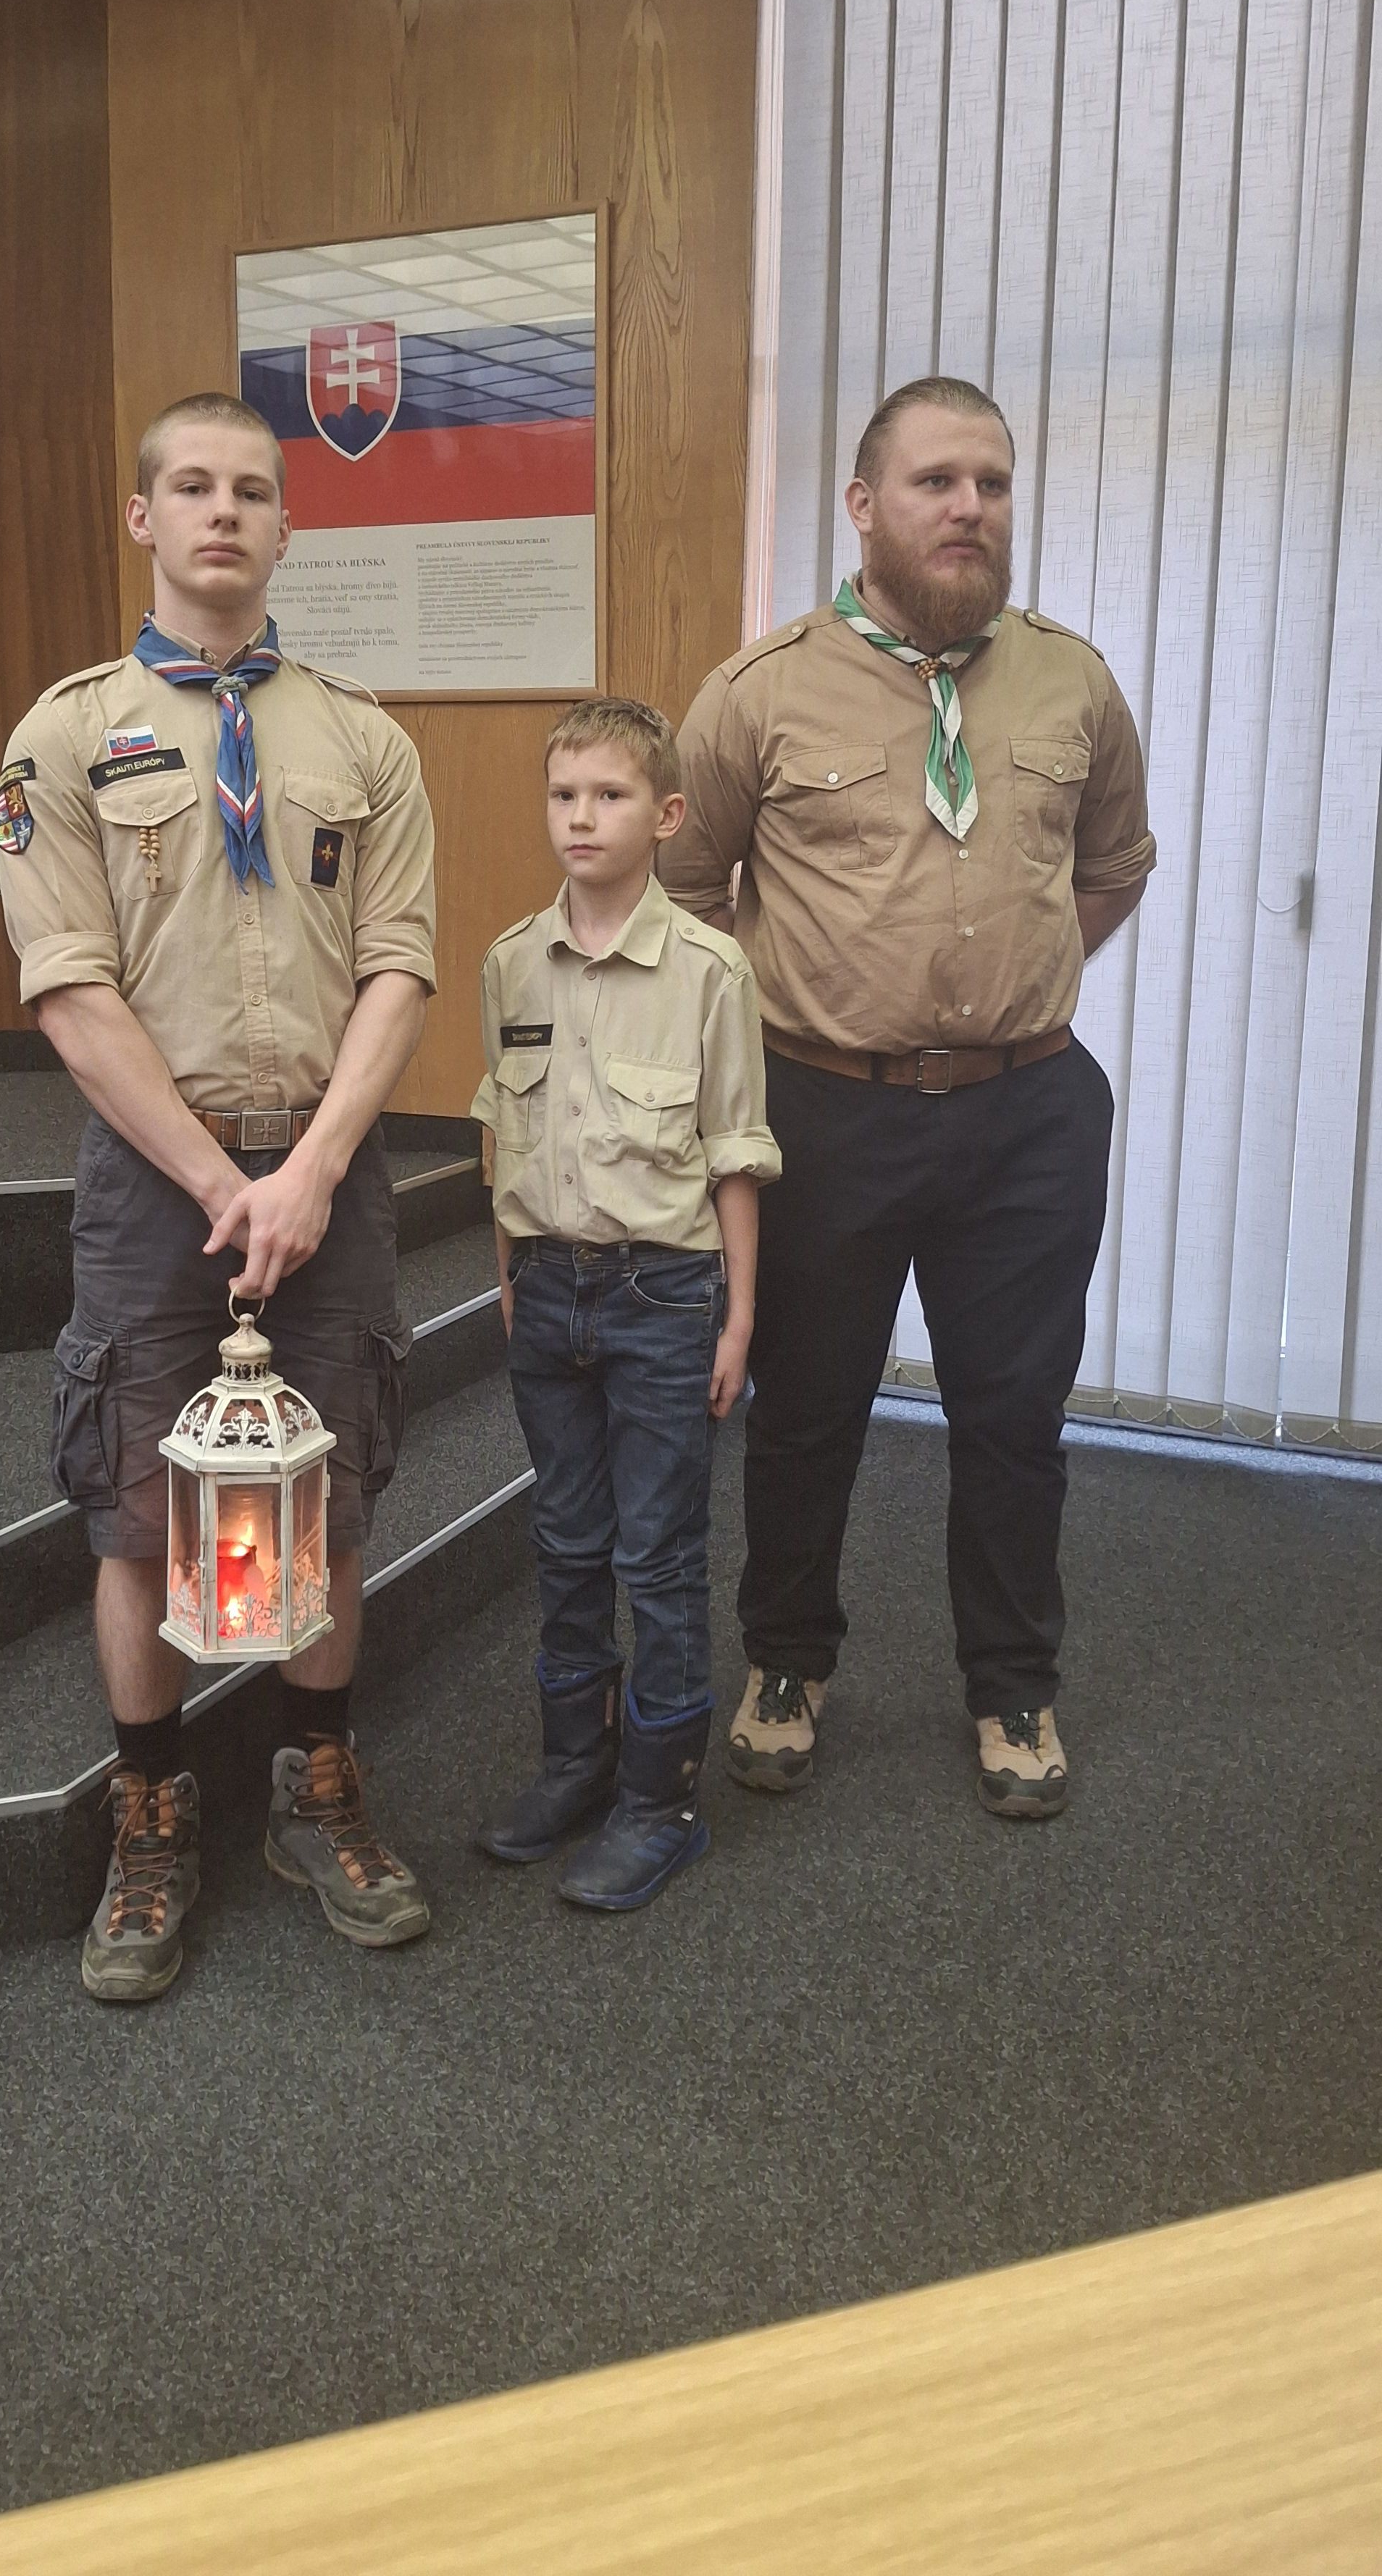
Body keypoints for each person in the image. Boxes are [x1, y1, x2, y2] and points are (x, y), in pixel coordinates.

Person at [659, 376, 1155, 1820]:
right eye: (937, 482)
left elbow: (1112, 865)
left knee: (1013, 1417)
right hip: (824, 1111)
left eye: (991, 484)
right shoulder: (757, 693)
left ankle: (1012, 1685)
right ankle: (786, 1662)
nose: (969, 508)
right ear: (864, 507)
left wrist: (1003, 987)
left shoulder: (1070, 682)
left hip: (1026, 1112)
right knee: (806, 1411)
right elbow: (684, 898)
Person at [0, 390, 437, 2001]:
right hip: (151, 1179)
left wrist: (307, 1170)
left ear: (286, 526)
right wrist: (216, 1179)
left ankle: (314, 1792)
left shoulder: (363, 740)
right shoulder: (61, 737)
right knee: (133, 1498)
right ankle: (152, 1814)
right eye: (191, 487)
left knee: (330, 1485)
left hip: (327, 1164)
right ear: (143, 518)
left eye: (252, 489)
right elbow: (71, 988)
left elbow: (399, 970)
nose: (223, 512)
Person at [472, 699, 780, 1910]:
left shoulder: (710, 970)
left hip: (666, 1296)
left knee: (657, 1554)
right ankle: (576, 1764)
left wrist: (737, 1318)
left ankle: (661, 1800)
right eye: (564, 796)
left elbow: (735, 1154)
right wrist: (508, 1277)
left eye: (609, 796)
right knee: (564, 1543)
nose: (581, 818)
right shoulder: (512, 962)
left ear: (666, 816)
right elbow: (502, 1136)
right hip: (547, 1289)